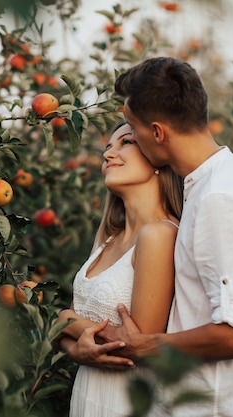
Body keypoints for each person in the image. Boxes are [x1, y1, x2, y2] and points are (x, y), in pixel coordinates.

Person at [63, 57, 233, 416]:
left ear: (157, 133)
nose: (111, 150)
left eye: (132, 131)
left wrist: (145, 345)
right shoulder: (209, 185)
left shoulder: (219, 196)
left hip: (217, 407)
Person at [55, 122, 184, 417]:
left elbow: (135, 345)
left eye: (125, 142)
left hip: (126, 403)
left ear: (157, 158)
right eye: (107, 148)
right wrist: (74, 348)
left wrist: (64, 319)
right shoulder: (109, 239)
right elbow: (69, 326)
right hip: (89, 397)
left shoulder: (160, 234)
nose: (109, 154)